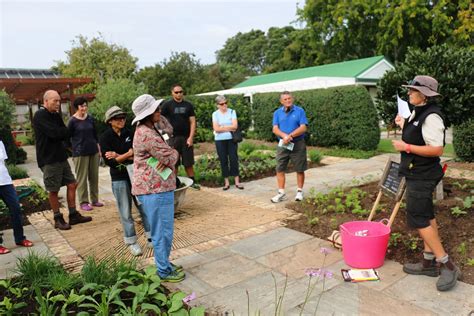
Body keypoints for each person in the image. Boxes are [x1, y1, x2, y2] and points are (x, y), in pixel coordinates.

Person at [392, 75, 460, 292]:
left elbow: (437, 149)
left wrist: (406, 147)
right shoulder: (417, 111)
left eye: (413, 90)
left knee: (419, 218)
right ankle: (428, 261)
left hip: (423, 175)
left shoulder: (432, 117)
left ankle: (446, 264)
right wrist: (404, 124)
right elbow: (418, 133)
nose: (409, 93)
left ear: (424, 94)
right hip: (418, 173)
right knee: (426, 216)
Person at [131, 94, 184, 283]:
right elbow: (170, 157)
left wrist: (170, 150)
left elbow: (167, 142)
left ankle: (165, 263)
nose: (160, 111)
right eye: (156, 109)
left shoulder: (147, 128)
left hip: (156, 189)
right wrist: (175, 150)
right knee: (162, 232)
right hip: (155, 190)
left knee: (162, 230)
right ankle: (163, 270)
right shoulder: (146, 134)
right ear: (148, 113)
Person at [33, 90, 92, 230]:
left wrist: (66, 137)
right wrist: (64, 132)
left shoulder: (55, 115)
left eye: (59, 101)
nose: (58, 103)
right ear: (45, 101)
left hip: (60, 156)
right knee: (54, 190)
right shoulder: (40, 115)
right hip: (49, 159)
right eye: (55, 101)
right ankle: (57, 218)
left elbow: (64, 133)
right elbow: (56, 133)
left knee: (72, 184)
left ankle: (73, 215)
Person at [99, 106, 152, 256]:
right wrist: (127, 153)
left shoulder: (130, 132)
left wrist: (118, 155)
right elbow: (111, 163)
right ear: (110, 121)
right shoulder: (105, 137)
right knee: (125, 211)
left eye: (123, 117)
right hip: (119, 177)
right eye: (117, 118)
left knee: (143, 206)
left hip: (135, 174)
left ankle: (150, 237)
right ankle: (131, 241)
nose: (122, 120)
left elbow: (139, 155)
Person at [271, 91, 308, 203]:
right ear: (281, 101)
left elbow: (303, 127)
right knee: (280, 168)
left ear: (292, 99)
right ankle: (281, 193)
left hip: (297, 144)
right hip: (283, 144)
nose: (288, 101)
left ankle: (299, 192)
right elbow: (275, 129)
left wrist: (291, 135)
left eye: (289, 98)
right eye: (285, 99)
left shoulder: (300, 111)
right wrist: (284, 136)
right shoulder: (277, 113)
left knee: (299, 168)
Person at [161, 84, 200, 189]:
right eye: (176, 92)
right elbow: (160, 121)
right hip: (173, 138)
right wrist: (166, 137)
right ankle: (175, 184)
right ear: (172, 93)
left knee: (188, 162)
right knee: (175, 163)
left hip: (186, 137)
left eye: (181, 92)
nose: (179, 94)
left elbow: (192, 122)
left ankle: (193, 183)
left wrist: (191, 137)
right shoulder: (167, 105)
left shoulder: (188, 105)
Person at [68, 97, 103, 211]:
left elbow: (95, 135)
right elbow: (67, 138)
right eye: (82, 106)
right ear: (77, 107)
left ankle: (95, 200)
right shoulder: (72, 121)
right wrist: (73, 150)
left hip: (93, 151)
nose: (84, 108)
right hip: (80, 153)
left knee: (94, 177)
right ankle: (83, 202)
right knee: (81, 178)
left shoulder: (90, 119)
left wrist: (99, 149)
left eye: (85, 105)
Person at [0, 140, 33, 254]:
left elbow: (2, 163)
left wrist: (10, 181)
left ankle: (20, 238)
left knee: (16, 208)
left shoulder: (0, 142)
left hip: (5, 182)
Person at [212, 95, 243, 190]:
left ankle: (237, 182)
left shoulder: (232, 111)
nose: (224, 105)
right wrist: (227, 127)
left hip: (231, 139)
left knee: (234, 159)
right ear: (217, 105)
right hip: (220, 140)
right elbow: (216, 129)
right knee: (223, 160)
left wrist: (222, 127)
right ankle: (226, 183)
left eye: (226, 103)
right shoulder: (215, 114)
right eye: (222, 104)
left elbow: (235, 126)